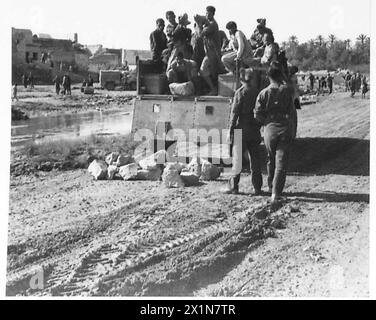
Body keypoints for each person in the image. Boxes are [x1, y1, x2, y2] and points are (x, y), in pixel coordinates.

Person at [254, 61, 295, 206]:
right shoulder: (286, 91)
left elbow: (257, 114)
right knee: (281, 163)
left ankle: (271, 187)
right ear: (280, 75)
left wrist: (266, 123)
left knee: (270, 159)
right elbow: (291, 112)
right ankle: (276, 193)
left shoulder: (263, 93)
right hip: (284, 129)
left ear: (268, 76)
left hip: (269, 131)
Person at [222, 68, 262, 195]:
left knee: (237, 160)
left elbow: (234, 113)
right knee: (255, 160)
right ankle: (257, 187)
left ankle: (234, 187)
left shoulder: (240, 92)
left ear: (241, 79)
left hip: (241, 128)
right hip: (254, 129)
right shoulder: (258, 92)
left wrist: (230, 130)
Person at [199, 5, 221, 95]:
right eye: (206, 13)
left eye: (208, 13)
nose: (206, 15)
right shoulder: (210, 23)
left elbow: (200, 34)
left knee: (203, 70)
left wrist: (198, 23)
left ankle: (214, 89)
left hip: (212, 53)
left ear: (213, 14)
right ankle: (213, 89)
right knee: (212, 72)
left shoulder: (212, 25)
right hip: (210, 52)